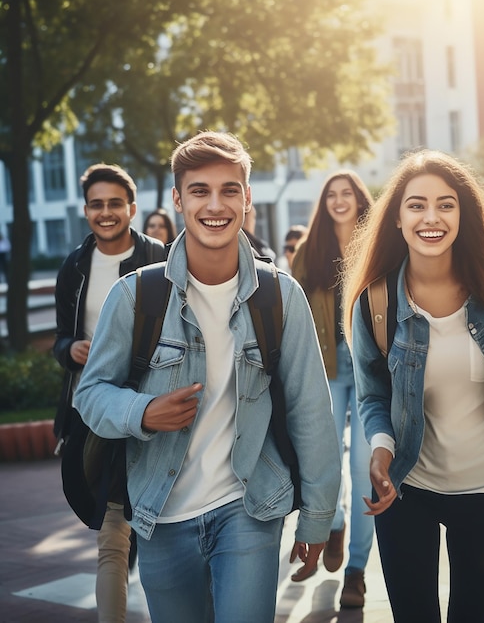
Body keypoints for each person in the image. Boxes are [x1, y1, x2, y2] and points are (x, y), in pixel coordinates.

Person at [73, 131, 341, 623]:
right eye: (199, 191)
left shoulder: (281, 297)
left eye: (229, 190)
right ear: (178, 199)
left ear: (246, 197)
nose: (215, 205)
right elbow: (89, 395)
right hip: (160, 514)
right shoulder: (137, 296)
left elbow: (312, 411)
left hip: (250, 506)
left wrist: (319, 516)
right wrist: (143, 412)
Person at [342, 150, 484, 623]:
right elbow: (372, 396)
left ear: (463, 215)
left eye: (446, 204)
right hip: (409, 490)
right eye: (416, 204)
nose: (431, 217)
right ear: (398, 219)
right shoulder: (375, 303)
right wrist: (381, 445)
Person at [53, 163, 166, 622]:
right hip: (96, 413)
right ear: (85, 211)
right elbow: (62, 336)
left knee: (161, 532)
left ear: (131, 208)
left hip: (154, 412)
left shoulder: (159, 257)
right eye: (96, 204)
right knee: (112, 535)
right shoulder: (74, 267)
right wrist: (70, 348)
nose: (106, 212)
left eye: (115, 203)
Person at [291, 170, 374, 608]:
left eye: (347, 194)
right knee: (325, 463)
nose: (339, 201)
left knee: (365, 469)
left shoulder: (383, 246)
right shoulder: (308, 252)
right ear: (323, 204)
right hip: (324, 370)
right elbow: (294, 316)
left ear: (360, 199)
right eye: (331, 195)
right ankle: (335, 522)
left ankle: (357, 571)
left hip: (370, 372)